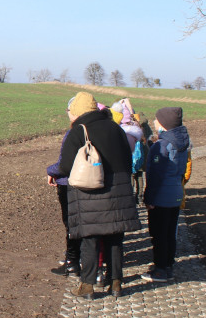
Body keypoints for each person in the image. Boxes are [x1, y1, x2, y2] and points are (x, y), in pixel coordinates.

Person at [56, 92, 141, 299]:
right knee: (115, 238)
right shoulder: (116, 128)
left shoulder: (79, 131)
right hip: (118, 191)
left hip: (90, 192)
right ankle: (116, 283)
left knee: (90, 239)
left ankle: (87, 286)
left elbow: (66, 166)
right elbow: (128, 160)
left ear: (78, 110)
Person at [142, 106, 191, 281]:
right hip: (176, 193)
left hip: (161, 197)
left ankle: (160, 269)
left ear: (163, 123)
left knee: (159, 234)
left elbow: (155, 176)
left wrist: (149, 198)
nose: (154, 122)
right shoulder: (182, 144)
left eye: (157, 119)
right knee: (170, 233)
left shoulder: (161, 146)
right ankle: (168, 265)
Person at [47, 98, 81, 277]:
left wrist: (50, 170)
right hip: (83, 182)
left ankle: (72, 261)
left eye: (69, 110)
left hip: (68, 184)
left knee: (71, 223)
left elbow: (65, 164)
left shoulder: (74, 133)